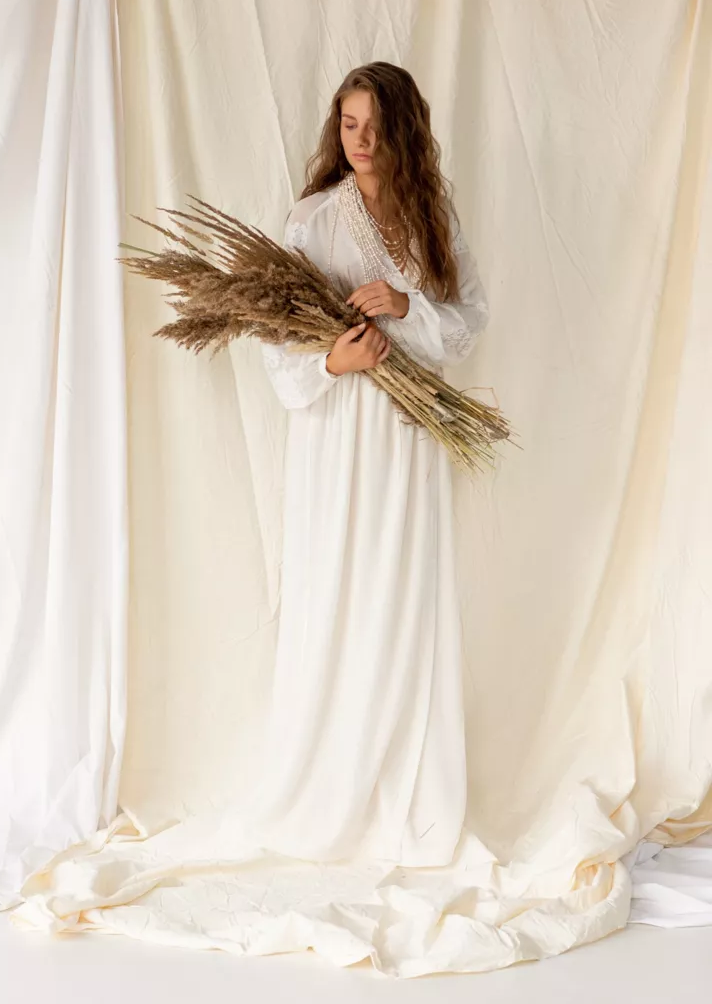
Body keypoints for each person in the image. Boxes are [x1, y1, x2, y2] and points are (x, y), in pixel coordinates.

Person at [253, 61, 490, 868]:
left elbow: (468, 321)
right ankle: (333, 787)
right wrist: (334, 361)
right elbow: (276, 342)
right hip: (341, 438)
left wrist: (407, 304)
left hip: (410, 440)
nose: (360, 140)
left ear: (403, 132)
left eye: (375, 127)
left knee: (404, 593)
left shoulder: (432, 218)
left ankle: (405, 784)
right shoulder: (314, 220)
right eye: (349, 124)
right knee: (340, 589)